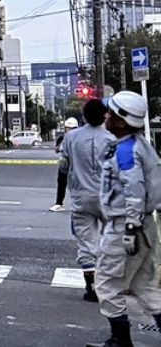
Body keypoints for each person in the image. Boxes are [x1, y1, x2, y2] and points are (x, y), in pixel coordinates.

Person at [86, 91, 161, 347]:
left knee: (107, 284)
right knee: (146, 287)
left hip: (126, 228)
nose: (105, 116)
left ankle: (120, 341)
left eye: (110, 113)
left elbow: (134, 190)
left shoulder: (127, 151)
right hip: (144, 226)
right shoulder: (139, 145)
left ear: (120, 121)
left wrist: (129, 227)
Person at [59, 102, 112, 302]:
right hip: (108, 196)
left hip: (81, 195)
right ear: (105, 115)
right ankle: (111, 281)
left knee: (86, 240)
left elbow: (63, 166)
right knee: (111, 237)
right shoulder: (111, 138)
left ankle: (91, 283)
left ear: (84, 115)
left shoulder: (71, 137)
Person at [51, 116, 81, 212]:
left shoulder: (79, 138)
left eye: (72, 128)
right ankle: (59, 203)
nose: (70, 130)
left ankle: (79, 204)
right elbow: (56, 149)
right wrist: (63, 144)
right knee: (61, 182)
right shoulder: (62, 138)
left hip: (77, 163)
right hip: (64, 163)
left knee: (77, 184)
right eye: (68, 128)